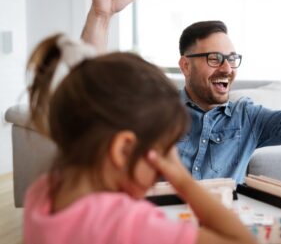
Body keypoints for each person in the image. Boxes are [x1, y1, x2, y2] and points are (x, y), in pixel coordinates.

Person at [82, 0, 281, 183]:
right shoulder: (157, 110)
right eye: (215, 58)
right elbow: (96, 97)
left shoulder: (247, 117)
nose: (227, 68)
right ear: (185, 65)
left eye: (231, 58)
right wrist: (101, 15)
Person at [23, 34, 257, 244]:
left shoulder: (44, 192)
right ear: (124, 150)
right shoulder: (127, 224)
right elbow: (241, 240)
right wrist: (182, 179)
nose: (161, 171)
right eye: (163, 153)